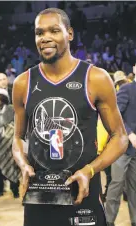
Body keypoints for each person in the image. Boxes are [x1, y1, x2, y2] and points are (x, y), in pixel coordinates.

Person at [12, 8, 128, 226]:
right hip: (40, 198)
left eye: (54, 31)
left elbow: (120, 137)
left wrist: (89, 170)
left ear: (70, 33)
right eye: (39, 33)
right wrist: (23, 165)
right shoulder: (22, 83)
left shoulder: (95, 78)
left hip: (83, 196)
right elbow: (18, 137)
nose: (45, 38)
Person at [105, 64, 136, 226]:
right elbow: (114, 115)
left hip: (135, 152)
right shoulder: (127, 89)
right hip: (122, 148)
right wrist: (130, 133)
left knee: (134, 188)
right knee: (116, 185)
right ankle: (108, 221)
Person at [0, 88, 20, 199]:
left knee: (13, 168)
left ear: (2, 98)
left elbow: (18, 125)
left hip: (11, 144)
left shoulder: (12, 109)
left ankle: (15, 190)